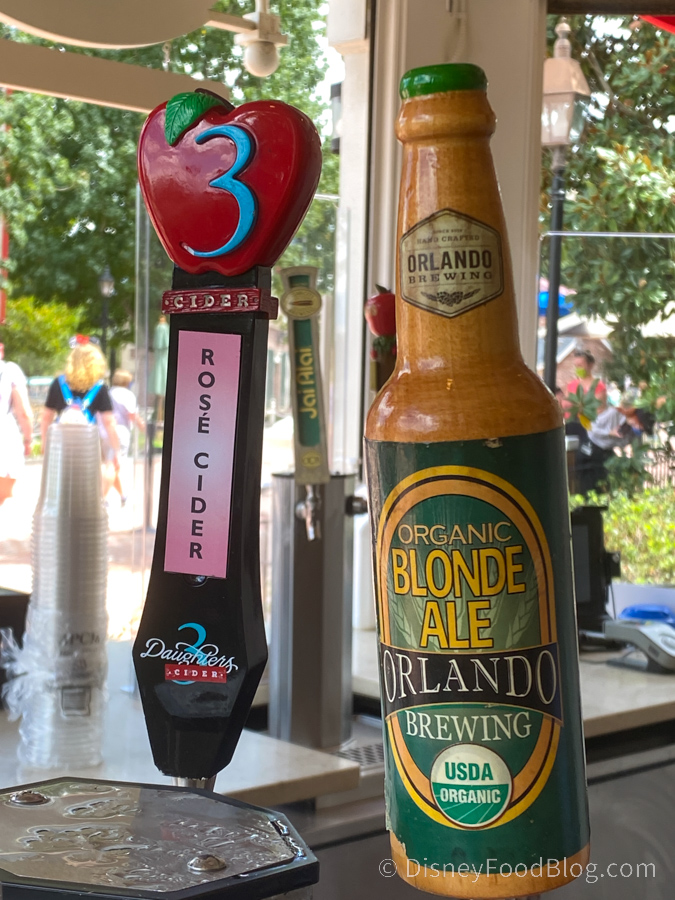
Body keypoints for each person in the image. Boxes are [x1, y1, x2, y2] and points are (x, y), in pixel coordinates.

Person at [41, 337, 120, 471]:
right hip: (87, 443)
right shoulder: (100, 387)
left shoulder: (58, 383)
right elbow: (109, 422)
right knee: (88, 478)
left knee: (61, 476)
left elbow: (46, 417)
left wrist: (45, 443)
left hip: (61, 442)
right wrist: (116, 449)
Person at [101, 368, 145, 505]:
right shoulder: (127, 394)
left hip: (105, 432)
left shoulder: (108, 393)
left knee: (113, 464)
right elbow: (132, 414)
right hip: (120, 433)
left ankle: (123, 495)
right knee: (113, 466)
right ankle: (101, 498)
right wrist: (143, 427)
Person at [0, 343, 33, 505]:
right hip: (4, 433)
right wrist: (28, 439)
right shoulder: (9, 371)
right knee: (4, 490)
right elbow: (23, 412)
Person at [563, 347, 607, 421]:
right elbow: (566, 404)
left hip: (588, 424)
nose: (577, 368)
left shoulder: (598, 386)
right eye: (576, 365)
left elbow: (597, 409)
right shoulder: (571, 385)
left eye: (580, 365)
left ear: (590, 365)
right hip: (570, 423)